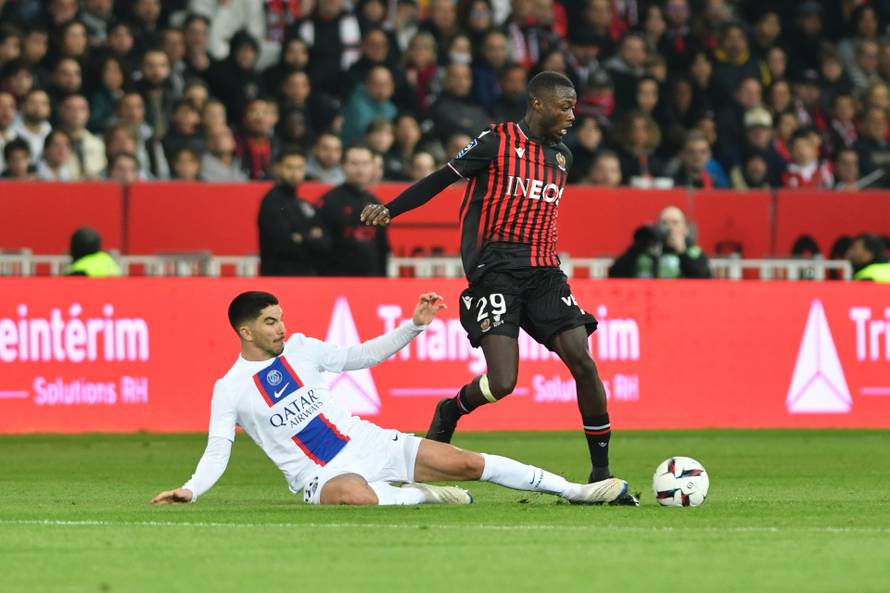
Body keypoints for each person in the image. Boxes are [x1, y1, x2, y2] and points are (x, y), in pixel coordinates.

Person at [360, 71, 637, 503]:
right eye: (564, 106)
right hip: (495, 272)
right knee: (504, 382)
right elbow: (440, 178)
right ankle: (451, 409)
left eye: (574, 106)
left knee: (583, 360)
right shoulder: (495, 142)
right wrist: (391, 210)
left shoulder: (562, 157)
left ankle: (601, 471)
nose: (571, 115)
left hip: (544, 272)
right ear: (538, 103)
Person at [151, 291, 631, 506]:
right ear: (245, 330)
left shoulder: (303, 349)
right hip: (321, 473)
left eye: (281, 318)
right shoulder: (229, 388)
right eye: (271, 322)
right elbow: (219, 449)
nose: (282, 327)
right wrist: (191, 489)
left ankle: (576, 490)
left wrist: (414, 326)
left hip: (371, 441)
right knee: (352, 495)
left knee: (465, 462)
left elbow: (361, 356)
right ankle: (423, 495)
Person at [318, 144, 389, 277]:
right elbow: (321, 248)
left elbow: (382, 247)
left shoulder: (376, 202)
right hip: (336, 279)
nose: (360, 169)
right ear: (343, 165)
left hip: (372, 279)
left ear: (373, 167)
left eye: (365, 163)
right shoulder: (329, 201)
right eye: (354, 163)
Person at [258, 149, 331, 276]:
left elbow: (326, 242)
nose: (295, 173)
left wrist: (301, 238)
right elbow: (284, 245)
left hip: (306, 277)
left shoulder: (303, 204)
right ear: (278, 168)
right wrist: (311, 238)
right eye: (289, 167)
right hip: (279, 278)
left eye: (299, 168)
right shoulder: (271, 203)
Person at [609, 206, 711, 279]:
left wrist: (682, 252)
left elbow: (704, 279)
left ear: (685, 228)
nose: (669, 227)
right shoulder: (643, 249)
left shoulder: (693, 252)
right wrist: (639, 245)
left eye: (675, 223)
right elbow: (614, 274)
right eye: (664, 223)